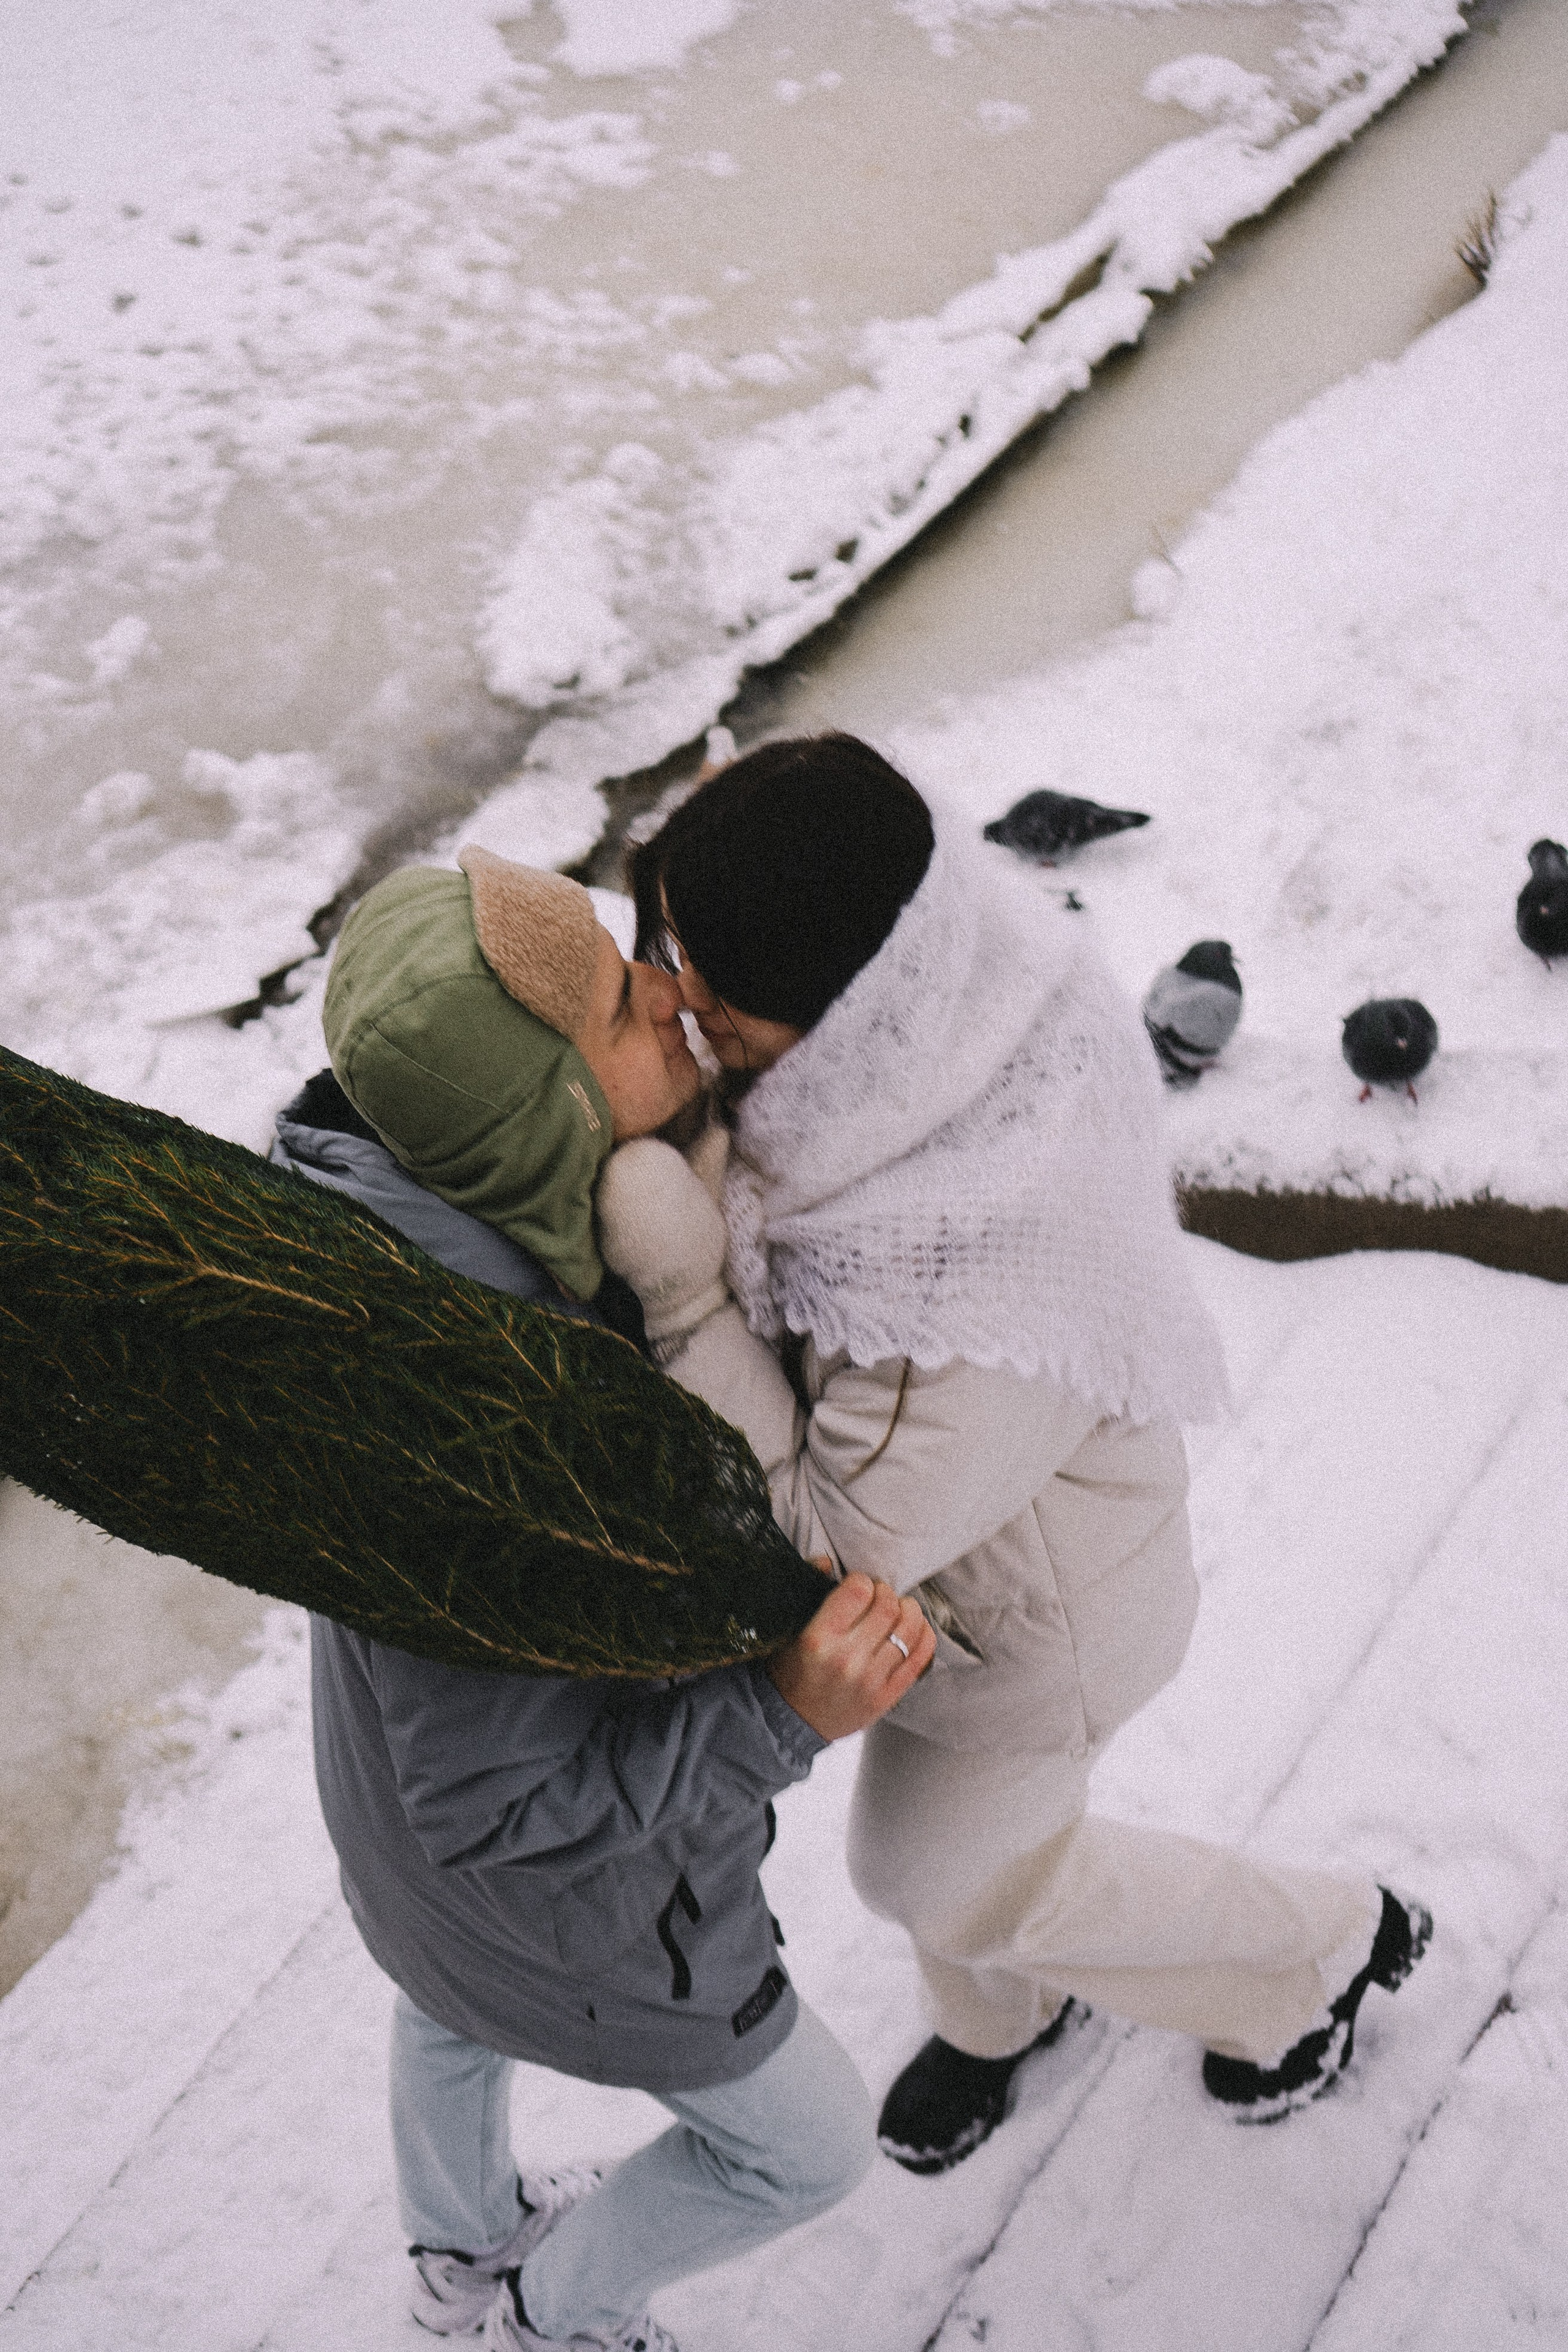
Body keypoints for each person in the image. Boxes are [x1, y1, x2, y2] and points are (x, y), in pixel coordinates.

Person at [596, 733, 1431, 2174]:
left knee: (929, 1869)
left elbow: (835, 1538)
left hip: (1038, 1628)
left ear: (855, 1012)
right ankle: (1004, 2022)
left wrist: (678, 1293)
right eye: (667, 950)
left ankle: (1320, 1955)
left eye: (719, 999)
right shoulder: (961, 1017)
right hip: (983, 1574)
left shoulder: (950, 1270)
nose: (677, 1005)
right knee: (976, 1874)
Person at [270, 844, 935, 2352]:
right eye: (621, 1015)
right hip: (577, 1915)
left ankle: (455, 2246)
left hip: (404, 1873)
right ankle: (547, 2313)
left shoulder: (371, 1252)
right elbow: (505, 1808)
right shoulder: (490, 1431)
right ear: (545, 1122)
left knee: (440, 2002)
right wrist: (779, 1713)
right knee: (806, 2145)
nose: (662, 987)